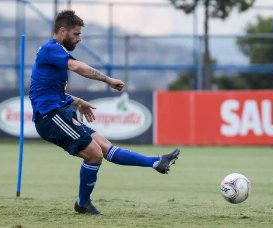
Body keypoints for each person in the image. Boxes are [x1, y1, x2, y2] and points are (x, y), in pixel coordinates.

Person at [29, 10, 180, 215]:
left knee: (105, 147)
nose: (79, 39)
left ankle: (156, 162)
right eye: (76, 34)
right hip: (50, 117)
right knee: (94, 154)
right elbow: (78, 67)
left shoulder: (55, 53)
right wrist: (107, 80)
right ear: (62, 31)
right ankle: (83, 203)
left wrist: (78, 101)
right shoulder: (51, 49)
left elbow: (49, 91)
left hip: (60, 112)